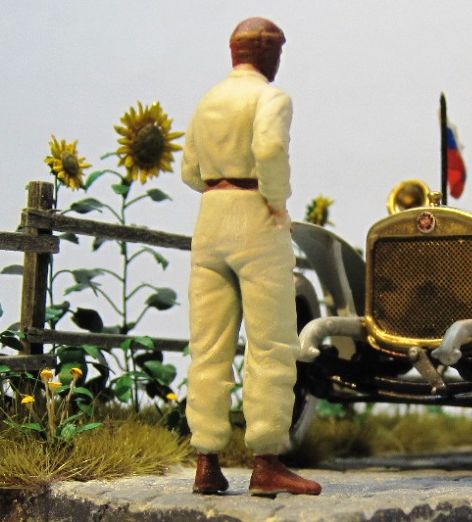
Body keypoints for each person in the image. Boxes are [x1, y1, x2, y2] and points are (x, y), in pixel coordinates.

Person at [181, 16, 321, 497]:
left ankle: (206, 461)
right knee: (271, 343)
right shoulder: (271, 98)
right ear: (270, 53)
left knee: (208, 347)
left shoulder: (207, 101)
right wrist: (275, 200)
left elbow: (190, 171)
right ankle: (266, 461)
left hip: (210, 218)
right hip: (256, 219)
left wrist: (218, 184)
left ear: (234, 52)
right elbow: (270, 146)